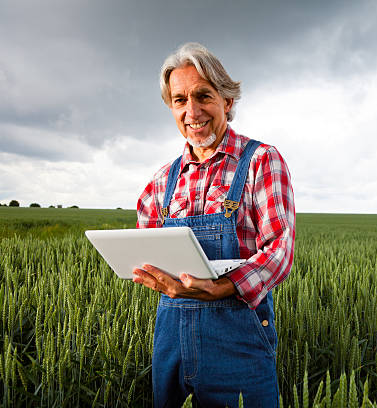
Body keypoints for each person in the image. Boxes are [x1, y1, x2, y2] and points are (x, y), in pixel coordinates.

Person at [132, 42, 295, 408]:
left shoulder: (260, 162)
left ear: (227, 101)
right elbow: (145, 251)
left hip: (237, 341)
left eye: (203, 95)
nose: (192, 111)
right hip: (170, 341)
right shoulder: (160, 183)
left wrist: (219, 287)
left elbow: (280, 251)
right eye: (179, 100)